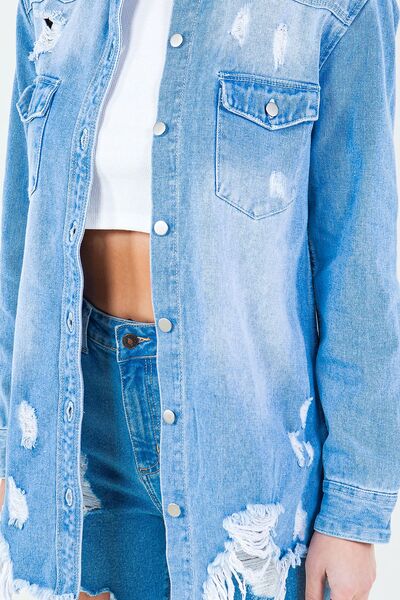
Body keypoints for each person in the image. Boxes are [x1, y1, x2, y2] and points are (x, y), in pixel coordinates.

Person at [0, 0, 399, 598]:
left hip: (240, 445)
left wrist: (352, 516)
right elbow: (19, 238)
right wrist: (6, 442)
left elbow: (360, 260)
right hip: (74, 432)